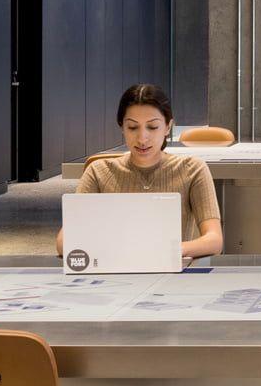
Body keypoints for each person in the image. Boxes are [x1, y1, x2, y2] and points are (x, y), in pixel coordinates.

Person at [66, 83, 225, 266]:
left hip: (170, 272)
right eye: (133, 128)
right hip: (112, 271)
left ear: (167, 127)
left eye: (152, 127)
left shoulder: (192, 169)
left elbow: (214, 240)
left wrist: (172, 249)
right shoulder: (99, 171)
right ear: (122, 127)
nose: (142, 138)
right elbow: (64, 240)